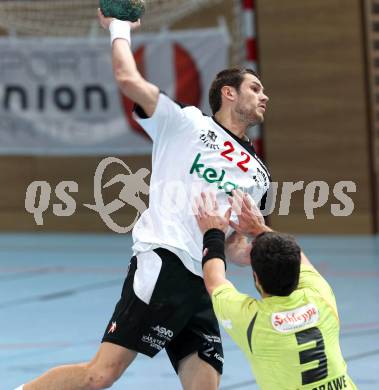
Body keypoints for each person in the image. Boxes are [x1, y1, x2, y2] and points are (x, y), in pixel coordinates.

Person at [17, 9, 270, 390]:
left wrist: (253, 247)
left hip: (205, 281)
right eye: (255, 88)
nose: (264, 96)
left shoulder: (259, 174)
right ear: (228, 93)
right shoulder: (185, 123)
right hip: (165, 262)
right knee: (98, 376)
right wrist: (118, 28)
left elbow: (236, 244)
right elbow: (127, 78)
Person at [195, 190, 357, 390]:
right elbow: (215, 281)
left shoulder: (252, 320)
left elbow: (213, 280)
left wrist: (212, 233)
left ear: (256, 279)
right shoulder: (320, 295)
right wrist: (259, 228)